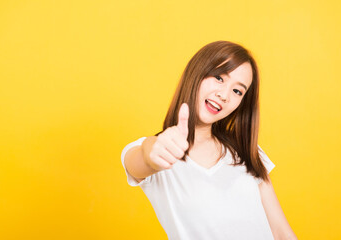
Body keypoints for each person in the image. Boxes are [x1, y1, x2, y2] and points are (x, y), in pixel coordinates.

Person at [121, 40, 297, 240]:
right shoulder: (156, 150)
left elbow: (281, 233)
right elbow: (142, 160)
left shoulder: (246, 151)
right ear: (197, 73)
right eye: (219, 78)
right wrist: (153, 152)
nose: (224, 95)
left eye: (237, 91)